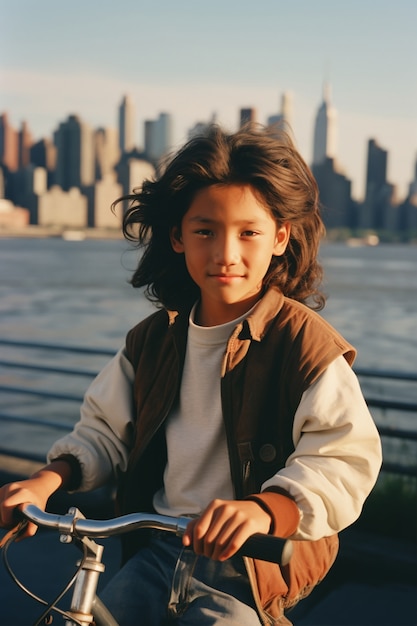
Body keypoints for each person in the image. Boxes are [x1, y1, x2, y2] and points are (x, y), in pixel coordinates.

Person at [0, 124, 382, 625]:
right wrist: (46, 481)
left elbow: (342, 458)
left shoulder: (304, 344)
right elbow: (104, 432)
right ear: (178, 237)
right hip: (156, 551)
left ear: (280, 238)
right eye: (205, 231)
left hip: (245, 568)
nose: (226, 253)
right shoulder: (151, 341)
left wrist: (265, 510)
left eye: (249, 233)